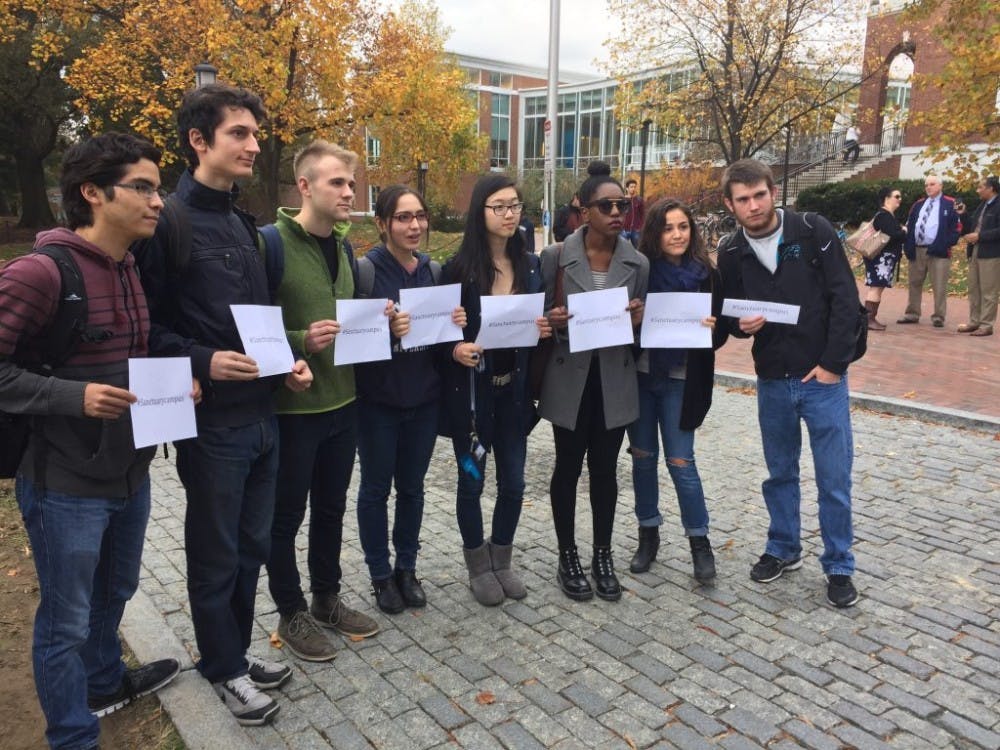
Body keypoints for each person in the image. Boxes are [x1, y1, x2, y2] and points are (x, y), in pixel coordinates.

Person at [134, 84, 313, 726]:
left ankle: (231, 652)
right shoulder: (167, 223)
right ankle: (223, 667)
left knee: (251, 547)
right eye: (239, 132)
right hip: (212, 425)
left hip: (263, 414)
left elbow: (259, 322)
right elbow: (145, 328)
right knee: (214, 552)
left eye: (255, 133)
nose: (254, 144)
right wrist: (202, 361)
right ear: (198, 140)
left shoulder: (243, 223)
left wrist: (286, 363)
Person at [0, 133, 181, 749]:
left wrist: (177, 386)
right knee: (65, 622)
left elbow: (129, 357)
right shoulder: (39, 273)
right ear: (93, 193)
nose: (158, 201)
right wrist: (72, 397)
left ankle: (104, 682)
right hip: (63, 483)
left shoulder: (131, 267)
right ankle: (73, 737)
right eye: (143, 188)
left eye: (159, 188)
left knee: (116, 590)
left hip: (130, 471)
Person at [717, 158, 861, 608]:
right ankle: (783, 546)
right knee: (779, 473)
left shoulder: (812, 231)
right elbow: (730, 313)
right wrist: (741, 326)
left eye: (759, 195)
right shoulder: (730, 251)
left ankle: (839, 564)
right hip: (772, 379)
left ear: (773, 193)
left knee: (833, 478)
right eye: (743, 199)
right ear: (730, 205)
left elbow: (845, 299)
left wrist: (833, 365)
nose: (753, 205)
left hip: (822, 379)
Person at [264, 140, 381, 663]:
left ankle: (326, 598)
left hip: (344, 402)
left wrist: (380, 321)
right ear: (305, 186)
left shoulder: (345, 247)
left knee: (331, 509)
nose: (349, 192)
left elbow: (350, 320)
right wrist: (298, 341)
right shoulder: (269, 244)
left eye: (351, 183)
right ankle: (290, 611)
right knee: (286, 516)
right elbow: (251, 326)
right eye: (338, 182)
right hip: (294, 412)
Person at [537, 161, 649, 602]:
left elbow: (642, 331)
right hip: (570, 377)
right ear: (584, 211)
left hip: (613, 379)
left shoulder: (637, 262)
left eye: (622, 205)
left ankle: (603, 554)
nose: (617, 212)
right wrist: (552, 319)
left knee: (605, 470)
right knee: (566, 467)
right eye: (606, 206)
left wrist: (638, 320)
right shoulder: (555, 257)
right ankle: (567, 555)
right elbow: (538, 316)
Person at [440, 174, 551, 606]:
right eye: (499, 206)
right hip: (472, 398)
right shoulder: (458, 269)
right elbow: (439, 333)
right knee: (472, 482)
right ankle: (477, 565)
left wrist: (543, 329)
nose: (509, 214)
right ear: (480, 212)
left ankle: (501, 558)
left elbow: (535, 327)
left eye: (515, 205)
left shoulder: (530, 265)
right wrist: (455, 348)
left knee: (515, 483)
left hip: (514, 396)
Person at [354, 185, 466, 614]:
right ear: (382, 223)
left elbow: (441, 345)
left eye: (420, 216)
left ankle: (406, 568)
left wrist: (454, 325)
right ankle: (380, 575)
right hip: (377, 402)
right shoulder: (365, 272)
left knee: (413, 489)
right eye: (403, 217)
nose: (415, 225)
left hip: (424, 401)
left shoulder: (432, 272)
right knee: (375, 489)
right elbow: (351, 341)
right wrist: (386, 331)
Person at [626, 198, 728, 582]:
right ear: (655, 232)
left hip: (682, 381)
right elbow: (624, 329)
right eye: (668, 228)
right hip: (641, 377)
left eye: (683, 226)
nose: (677, 235)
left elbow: (720, 334)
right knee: (642, 459)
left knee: (681, 462)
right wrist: (634, 319)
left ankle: (699, 541)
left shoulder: (707, 276)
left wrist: (713, 329)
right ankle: (647, 533)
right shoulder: (641, 273)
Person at [897, 174, 961, 328]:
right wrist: (908, 245)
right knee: (914, 283)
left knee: (939, 284)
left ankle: (939, 316)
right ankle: (912, 313)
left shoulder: (950, 203)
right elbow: (910, 224)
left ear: (940, 186)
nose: (928, 187)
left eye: (932, 184)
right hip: (917, 249)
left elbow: (957, 228)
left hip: (939, 251)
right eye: (926, 185)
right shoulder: (918, 204)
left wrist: (944, 244)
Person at [956, 176, 1000, 337]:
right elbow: (971, 227)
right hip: (975, 250)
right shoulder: (982, 205)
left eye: (981, 187)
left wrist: (980, 236)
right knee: (974, 289)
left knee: (989, 290)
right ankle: (974, 322)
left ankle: (987, 325)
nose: (978, 190)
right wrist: (963, 214)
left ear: (991, 188)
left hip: (991, 253)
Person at [862, 187, 907, 330]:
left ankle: (870, 318)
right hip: (880, 259)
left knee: (877, 287)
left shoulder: (886, 215)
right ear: (887, 199)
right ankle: (868, 319)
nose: (900, 199)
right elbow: (893, 235)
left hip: (883, 259)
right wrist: (904, 231)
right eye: (897, 196)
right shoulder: (884, 216)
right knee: (876, 287)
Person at [621, 178, 647, 247]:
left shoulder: (639, 200)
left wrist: (640, 226)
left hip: (636, 230)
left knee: (637, 249)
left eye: (635, 187)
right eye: (631, 187)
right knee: (622, 249)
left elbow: (643, 214)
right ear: (627, 188)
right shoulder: (622, 200)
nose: (633, 189)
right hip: (624, 230)